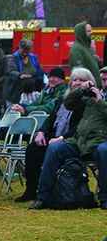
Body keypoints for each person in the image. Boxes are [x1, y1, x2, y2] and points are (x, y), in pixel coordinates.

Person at [15, 68, 92, 202]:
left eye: (82, 80)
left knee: (53, 149)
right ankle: (31, 190)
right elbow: (50, 119)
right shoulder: (63, 99)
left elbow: (80, 127)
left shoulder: (89, 101)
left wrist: (62, 138)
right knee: (33, 149)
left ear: (90, 83)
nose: (78, 83)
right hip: (54, 137)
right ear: (70, 83)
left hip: (73, 140)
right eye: (75, 80)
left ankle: (46, 193)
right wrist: (41, 132)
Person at [30, 77, 107, 210]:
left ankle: (105, 198)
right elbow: (68, 103)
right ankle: (43, 197)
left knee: (104, 150)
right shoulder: (89, 97)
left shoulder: (99, 98)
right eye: (103, 79)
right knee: (55, 147)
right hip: (79, 141)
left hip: (100, 141)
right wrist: (81, 90)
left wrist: (100, 102)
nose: (105, 82)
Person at [68, 22, 102, 88]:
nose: (91, 33)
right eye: (88, 31)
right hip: (86, 90)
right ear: (82, 33)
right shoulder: (77, 49)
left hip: (93, 88)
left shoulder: (87, 48)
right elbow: (79, 74)